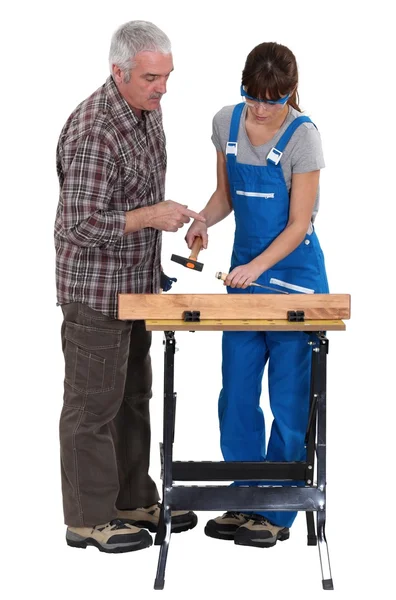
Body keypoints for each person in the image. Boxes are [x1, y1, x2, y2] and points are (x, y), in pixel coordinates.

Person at [54, 20, 204, 554]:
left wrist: (175, 215)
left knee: (131, 398)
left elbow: (138, 199)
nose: (162, 87)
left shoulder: (145, 113)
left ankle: (131, 499)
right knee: (92, 407)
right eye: (150, 78)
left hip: (138, 288)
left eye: (166, 76)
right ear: (117, 72)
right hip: (96, 293)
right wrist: (146, 218)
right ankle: (90, 519)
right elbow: (79, 225)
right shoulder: (96, 130)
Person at [185, 42, 329, 548]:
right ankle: (245, 497)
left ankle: (278, 509)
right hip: (244, 279)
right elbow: (226, 196)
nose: (262, 108)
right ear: (242, 86)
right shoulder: (226, 122)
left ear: (289, 93)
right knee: (237, 396)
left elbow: (298, 223)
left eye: (273, 98)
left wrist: (255, 269)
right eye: (253, 96)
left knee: (289, 401)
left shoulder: (302, 136)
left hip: (293, 279)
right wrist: (203, 220)